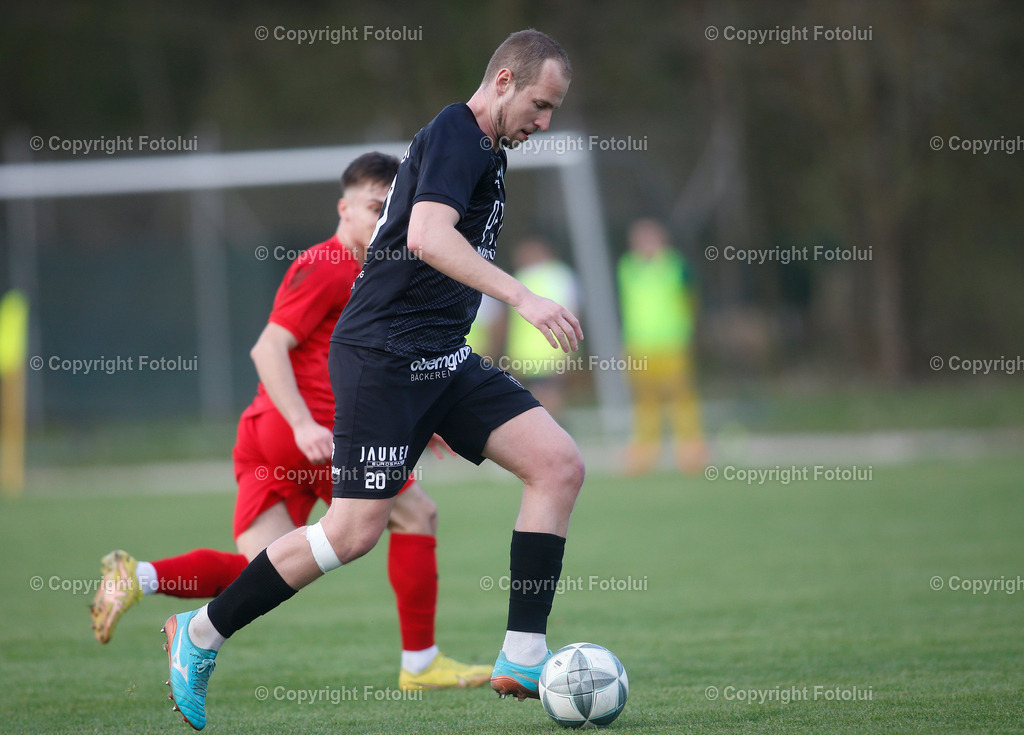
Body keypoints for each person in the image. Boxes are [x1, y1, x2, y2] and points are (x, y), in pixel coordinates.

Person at [161, 29, 582, 730]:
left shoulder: (489, 151)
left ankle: (523, 654)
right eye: (540, 105)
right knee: (352, 533)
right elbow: (426, 235)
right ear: (504, 81)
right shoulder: (459, 132)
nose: (544, 123)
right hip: (384, 359)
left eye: (553, 111)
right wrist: (524, 297)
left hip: (440, 357)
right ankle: (200, 632)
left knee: (558, 464)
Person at [90, 152, 491, 692]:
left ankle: (138, 576)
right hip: (311, 434)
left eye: (391, 208)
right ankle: (421, 664)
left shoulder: (374, 270)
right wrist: (303, 424)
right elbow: (268, 348)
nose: (382, 218)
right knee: (417, 514)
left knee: (263, 569)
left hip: (269, 434)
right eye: (374, 206)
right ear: (344, 207)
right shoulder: (328, 264)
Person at [617, 218, 707, 474]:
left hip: (672, 343)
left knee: (681, 399)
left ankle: (690, 452)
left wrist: (686, 331)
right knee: (645, 401)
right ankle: (644, 453)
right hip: (638, 344)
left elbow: (691, 300)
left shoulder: (676, 266)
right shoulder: (627, 267)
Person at [504, 237, 579, 420]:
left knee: (545, 391)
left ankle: (549, 429)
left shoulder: (556, 276)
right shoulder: (524, 276)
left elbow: (570, 311)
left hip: (548, 347)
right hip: (527, 349)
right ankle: (546, 428)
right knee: (536, 393)